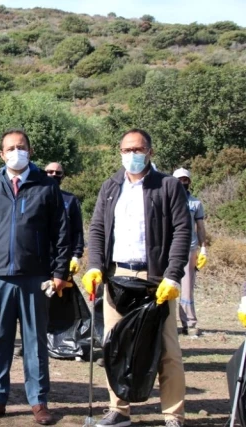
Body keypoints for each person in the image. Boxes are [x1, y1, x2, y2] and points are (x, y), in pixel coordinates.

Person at [0, 129, 70, 424]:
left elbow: (62, 233)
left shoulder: (47, 187)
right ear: (1, 154)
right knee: (0, 340)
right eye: (10, 148)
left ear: (30, 152)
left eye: (21, 147)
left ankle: (39, 401)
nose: (16, 151)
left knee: (34, 342)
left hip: (36, 276)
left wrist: (60, 271)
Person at [82, 129, 191, 427]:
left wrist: (173, 275)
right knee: (114, 345)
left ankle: (173, 414)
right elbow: (98, 229)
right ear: (119, 152)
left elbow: (183, 231)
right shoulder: (110, 186)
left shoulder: (168, 186)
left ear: (150, 152)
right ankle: (119, 409)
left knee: (167, 349)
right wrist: (94, 265)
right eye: (127, 150)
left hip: (155, 279)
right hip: (117, 277)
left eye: (138, 149)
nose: (132, 155)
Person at [172, 168, 207, 338]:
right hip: (169, 249)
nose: (182, 183)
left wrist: (204, 249)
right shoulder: (166, 201)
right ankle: (167, 324)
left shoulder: (195, 203)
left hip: (189, 248)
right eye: (179, 180)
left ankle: (189, 323)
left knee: (187, 287)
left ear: (189, 182)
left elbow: (200, 227)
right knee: (166, 285)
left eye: (185, 180)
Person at [44, 162, 84, 276]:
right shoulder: (35, 197)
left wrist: (76, 256)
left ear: (63, 176)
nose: (54, 174)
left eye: (58, 172)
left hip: (62, 258)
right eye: (50, 172)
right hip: (39, 259)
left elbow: (77, 230)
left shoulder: (70, 200)